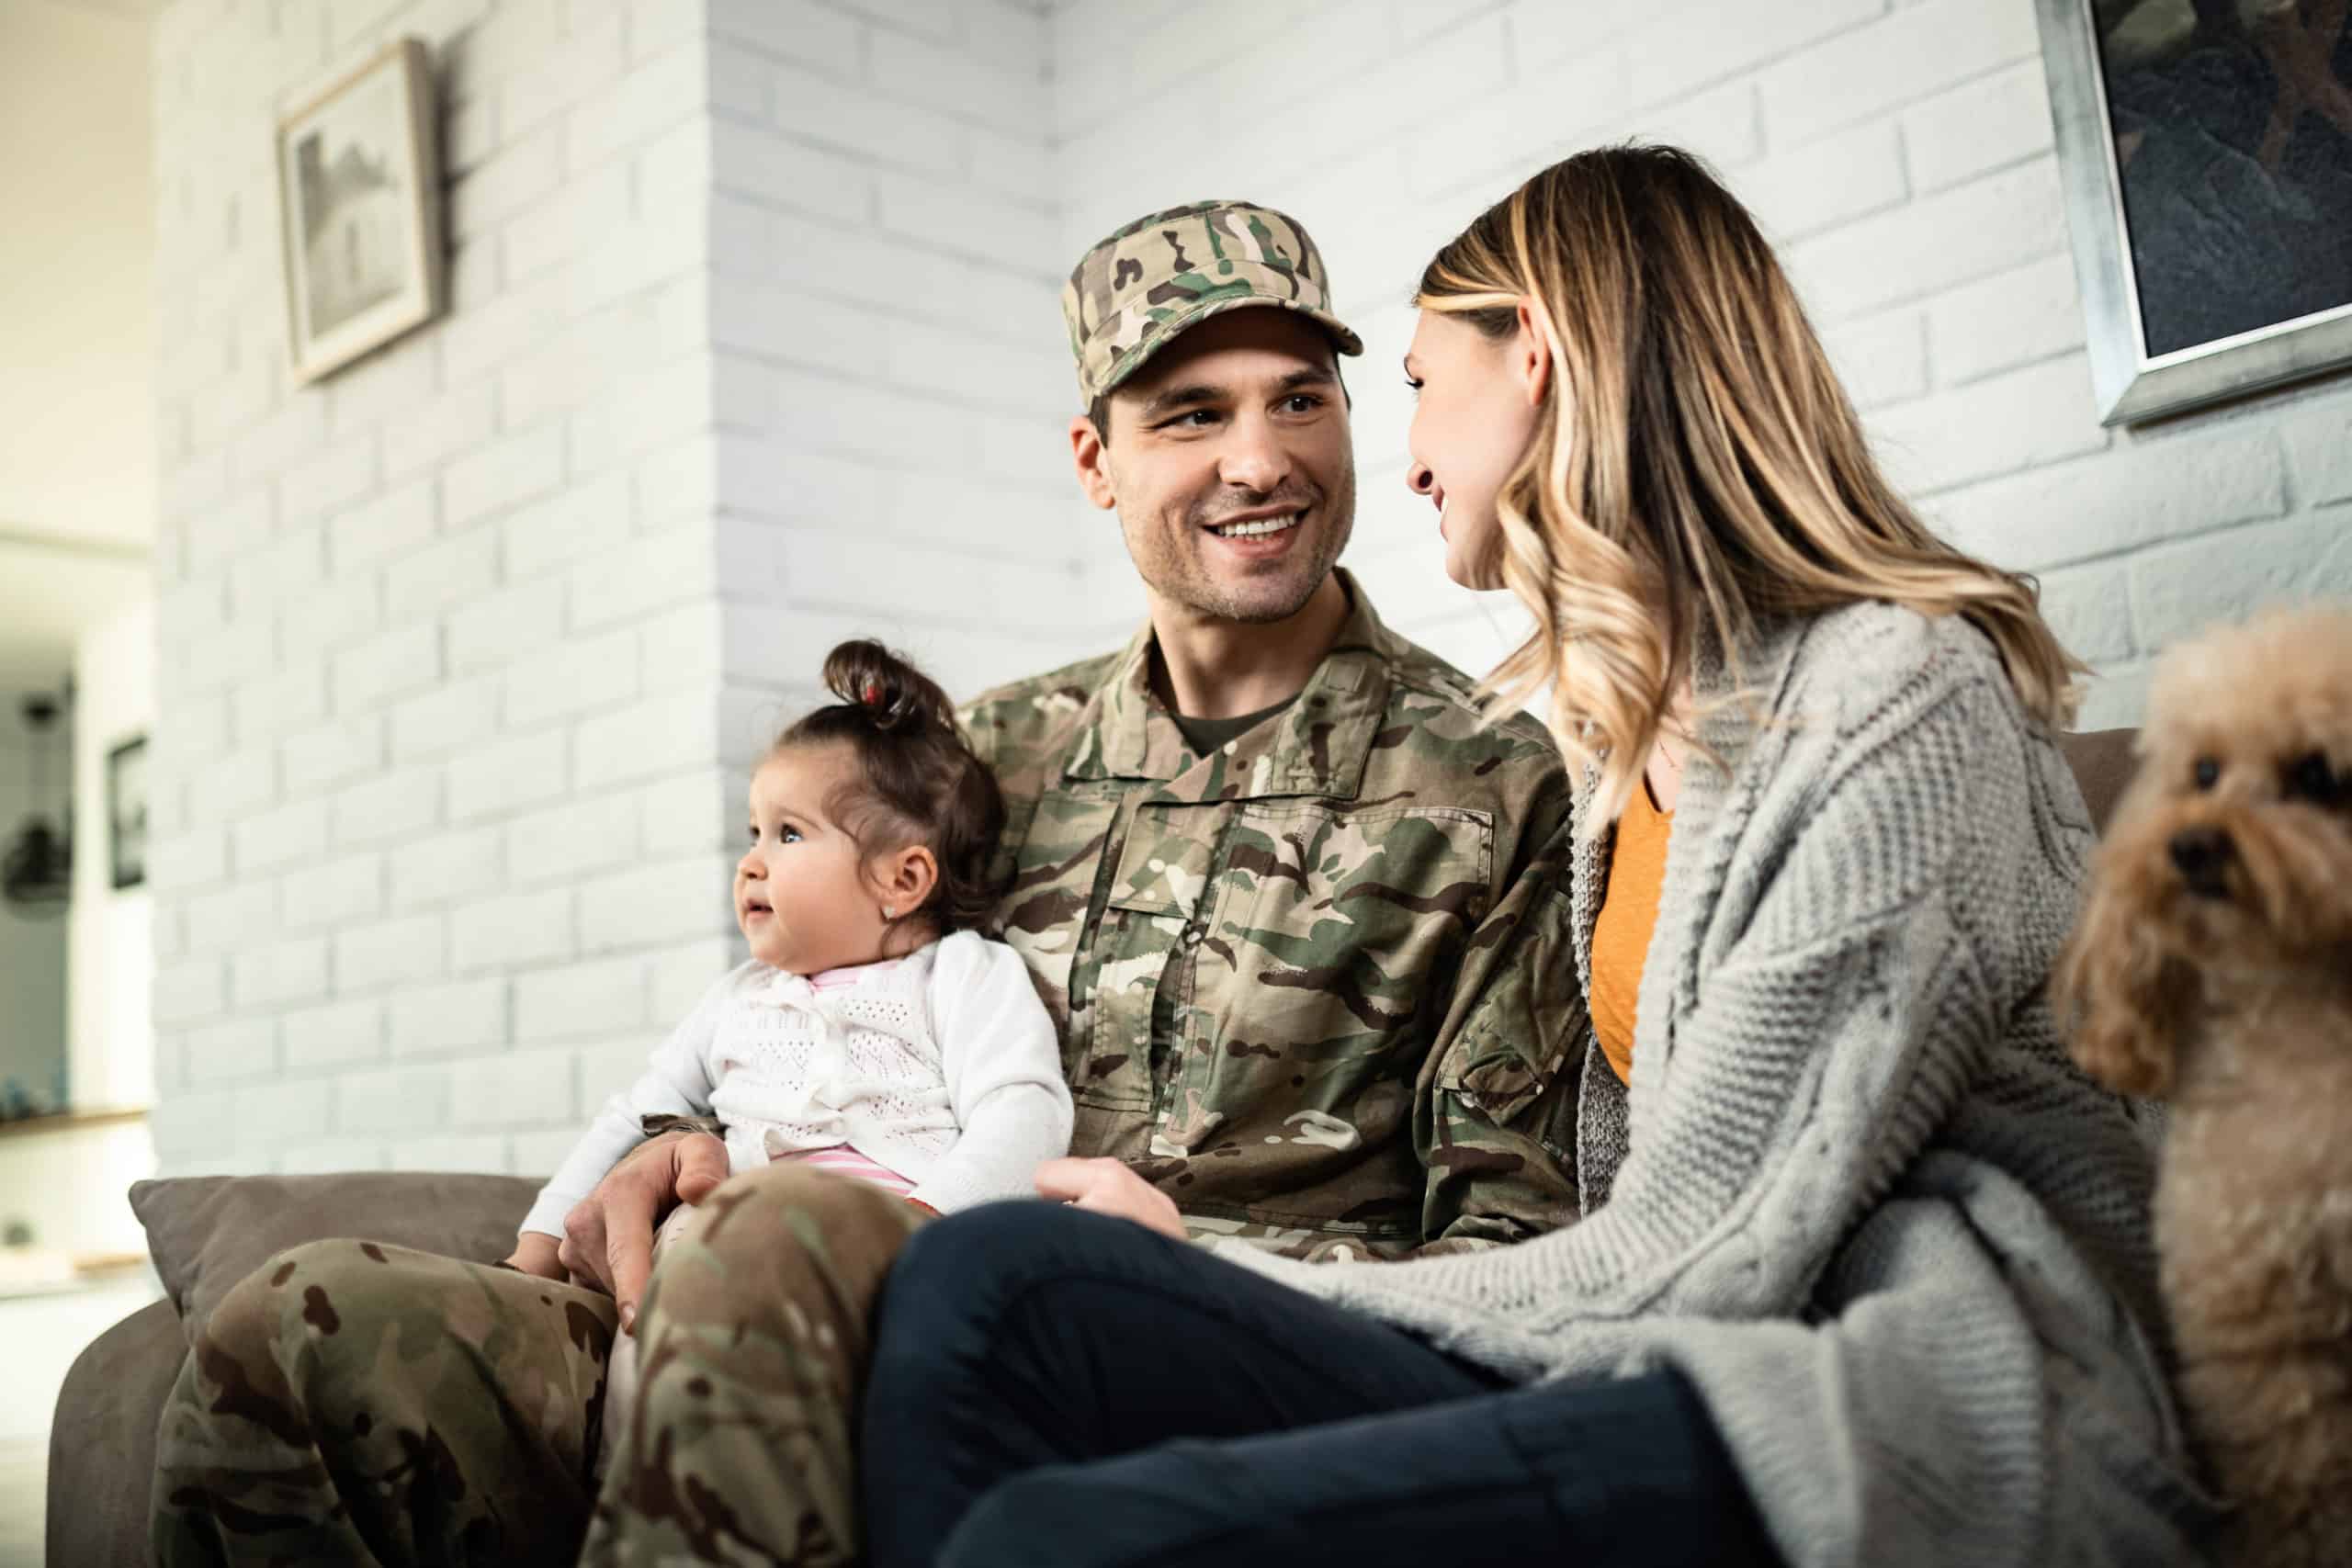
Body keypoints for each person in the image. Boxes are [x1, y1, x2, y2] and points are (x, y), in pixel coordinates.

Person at [150, 199, 1582, 1568]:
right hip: (776, 1291)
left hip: (1155, 1347)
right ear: (1095, 460)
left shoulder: (1491, 782)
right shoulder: (984, 755)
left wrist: (1164, 1250)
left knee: (774, 1237)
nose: (1260, 459)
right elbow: (788, 1003)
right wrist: (666, 1137)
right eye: (1192, 414)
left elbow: (1515, 1261)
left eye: (1299, 397)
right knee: (302, 1324)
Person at [853, 146, 2220, 1568]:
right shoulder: (1633, 746)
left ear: (1545, 364)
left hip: (1917, 1398)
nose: (1412, 455)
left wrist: (1193, 1263)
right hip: (1681, 1351)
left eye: (1420, 386)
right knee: (990, 1278)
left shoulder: (1893, 699)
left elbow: (1711, 1243)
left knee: (1051, 1530)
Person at [502, 638, 1071, 1469]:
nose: (751, 860)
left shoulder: (963, 973)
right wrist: (536, 1246)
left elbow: (1023, 1113)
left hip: (889, 1252)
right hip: (723, 1254)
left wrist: (924, 1230)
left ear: (902, 880)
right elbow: (630, 1116)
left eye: (790, 834)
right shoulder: (735, 996)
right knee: (659, 1359)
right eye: (754, 830)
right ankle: (654, 1494)